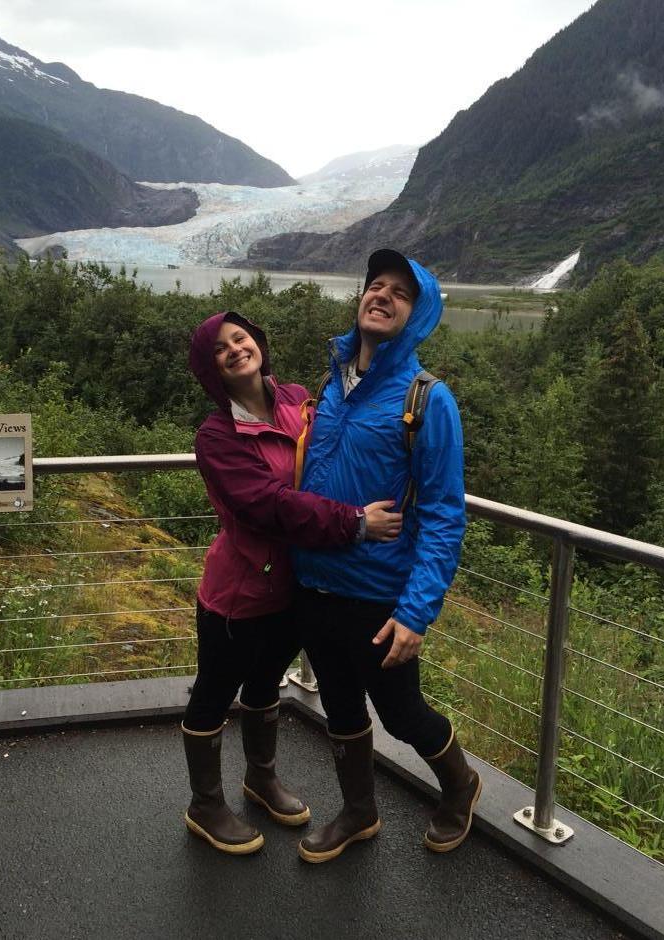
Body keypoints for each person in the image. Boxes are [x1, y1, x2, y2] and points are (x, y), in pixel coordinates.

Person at [182, 311, 402, 855]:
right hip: (239, 595)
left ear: (258, 341)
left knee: (264, 686)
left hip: (295, 587)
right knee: (214, 694)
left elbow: (335, 457)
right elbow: (269, 506)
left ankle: (261, 778)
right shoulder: (216, 436)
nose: (236, 349)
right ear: (210, 370)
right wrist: (354, 523)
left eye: (241, 337)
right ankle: (205, 804)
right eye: (220, 348)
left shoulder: (298, 398)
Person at [292, 248, 478, 863]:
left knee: (400, 714)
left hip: (379, 593)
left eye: (401, 292)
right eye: (376, 284)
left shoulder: (429, 400)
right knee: (340, 705)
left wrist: (417, 611)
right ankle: (359, 811)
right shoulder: (335, 384)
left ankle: (460, 783)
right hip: (317, 583)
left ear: (418, 315)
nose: (383, 295)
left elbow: (446, 515)